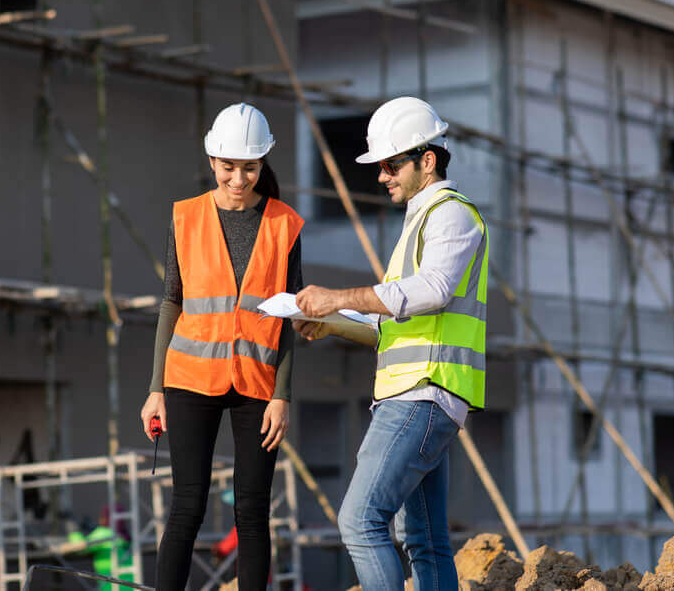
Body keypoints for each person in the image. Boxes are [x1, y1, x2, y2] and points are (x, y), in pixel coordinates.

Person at [293, 97, 487, 590]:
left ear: (427, 160)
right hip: (418, 393)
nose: (381, 176)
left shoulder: (450, 215)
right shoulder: (420, 223)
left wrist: (336, 296)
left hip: (422, 394)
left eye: (390, 164)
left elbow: (432, 290)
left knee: (360, 521)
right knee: (422, 538)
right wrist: (334, 322)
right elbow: (395, 324)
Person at [140, 102, 304, 591]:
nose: (239, 178)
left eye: (249, 167)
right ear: (212, 161)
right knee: (186, 505)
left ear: (263, 164)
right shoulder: (185, 218)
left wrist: (283, 395)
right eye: (229, 166)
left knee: (252, 510)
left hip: (256, 385)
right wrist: (156, 389)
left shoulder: (284, 224)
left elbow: (289, 315)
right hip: (189, 380)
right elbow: (171, 303)